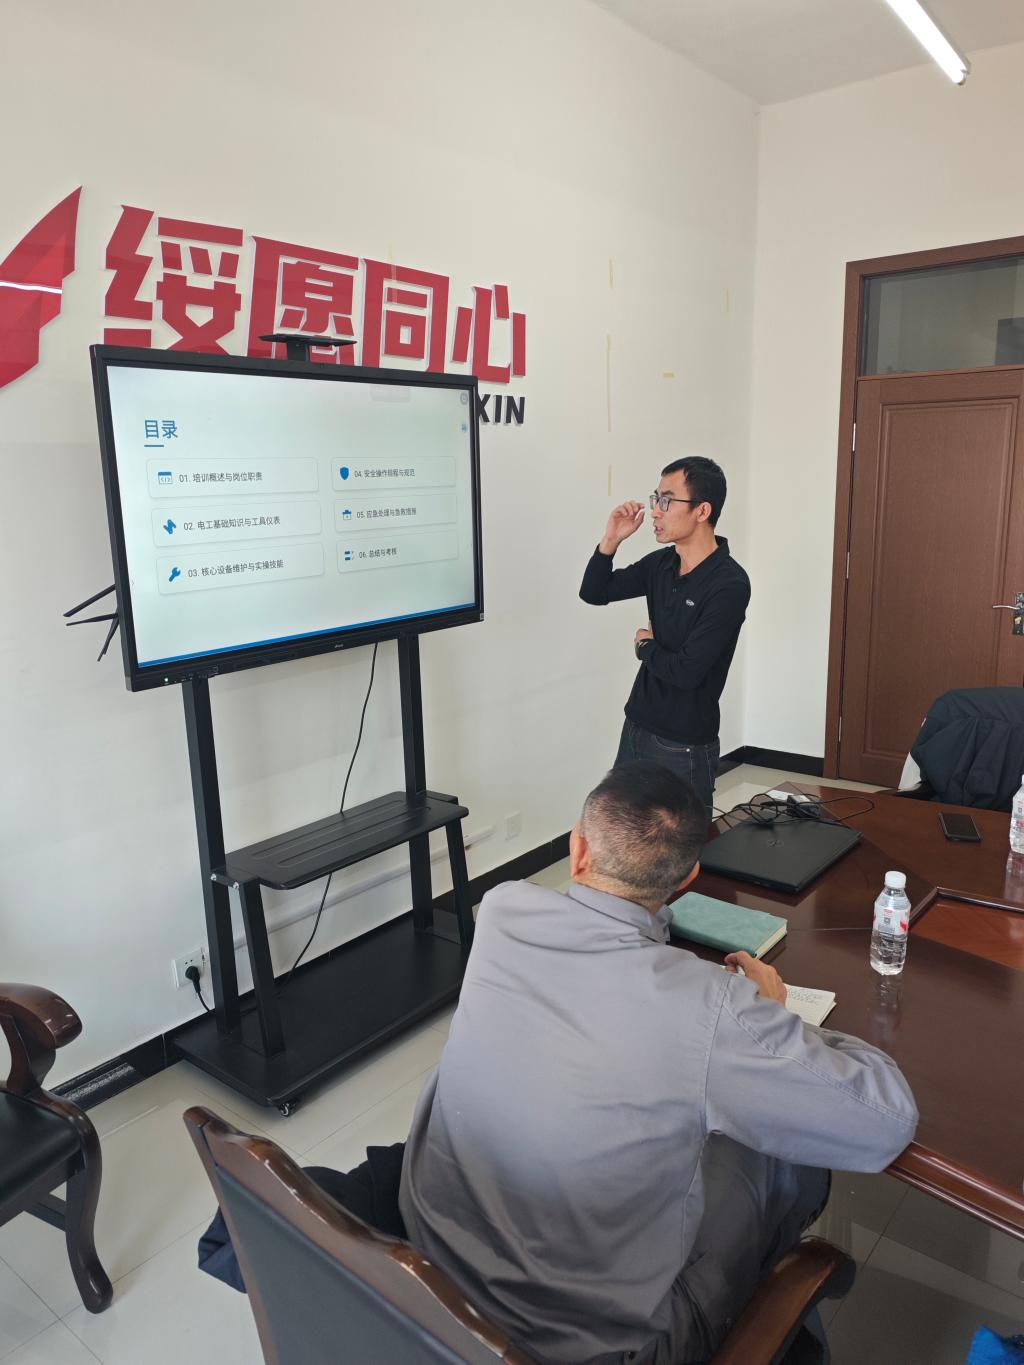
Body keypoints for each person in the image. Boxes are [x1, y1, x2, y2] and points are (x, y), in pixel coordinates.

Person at [400, 762, 918, 1365]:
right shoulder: (710, 1006)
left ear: (577, 849)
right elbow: (886, 1121)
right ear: (688, 877)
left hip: (429, 1272)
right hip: (587, 1349)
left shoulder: (501, 909)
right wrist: (776, 1014)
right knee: (784, 1161)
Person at [579, 456, 751, 816]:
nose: (656, 511)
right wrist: (611, 540)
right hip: (637, 724)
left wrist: (644, 646)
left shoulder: (729, 584)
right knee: (621, 832)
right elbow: (594, 592)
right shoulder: (661, 564)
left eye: (667, 501)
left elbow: (687, 672)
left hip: (684, 744)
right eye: (656, 498)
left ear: (702, 510)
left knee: (684, 846)